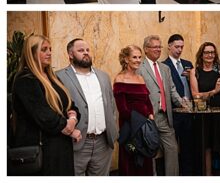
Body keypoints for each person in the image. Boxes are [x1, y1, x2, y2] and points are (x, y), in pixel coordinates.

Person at [9, 35, 79, 176]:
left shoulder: (53, 77)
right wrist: (69, 128)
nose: (49, 53)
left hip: (60, 148)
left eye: (50, 49)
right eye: (44, 49)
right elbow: (44, 115)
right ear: (31, 53)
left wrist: (72, 118)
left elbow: (70, 104)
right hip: (42, 151)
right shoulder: (25, 80)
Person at [56, 39, 118, 176]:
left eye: (87, 50)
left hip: (103, 143)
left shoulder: (103, 76)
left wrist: (113, 129)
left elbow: (112, 106)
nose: (86, 53)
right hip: (75, 143)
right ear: (70, 54)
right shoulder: (59, 77)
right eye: (80, 50)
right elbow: (56, 108)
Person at [139, 36, 181, 175]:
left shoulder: (165, 68)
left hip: (165, 117)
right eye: (154, 47)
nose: (158, 49)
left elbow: (172, 90)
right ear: (146, 49)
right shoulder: (139, 68)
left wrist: (183, 103)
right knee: (150, 151)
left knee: (173, 149)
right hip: (148, 118)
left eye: (159, 47)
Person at [189, 42, 220, 175]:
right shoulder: (194, 71)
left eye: (212, 52)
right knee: (206, 149)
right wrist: (214, 91)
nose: (210, 55)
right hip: (204, 114)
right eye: (207, 52)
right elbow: (195, 95)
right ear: (201, 55)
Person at [113, 45, 155, 175]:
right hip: (129, 126)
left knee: (145, 159)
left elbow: (147, 101)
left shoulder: (140, 78)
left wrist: (150, 115)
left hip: (145, 126)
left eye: (139, 57)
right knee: (130, 160)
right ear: (126, 59)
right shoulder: (120, 79)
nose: (138, 60)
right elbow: (123, 109)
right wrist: (139, 122)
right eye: (134, 57)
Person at [162, 34, 197, 175]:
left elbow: (195, 84)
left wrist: (191, 77)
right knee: (173, 147)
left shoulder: (188, 63)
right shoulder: (163, 66)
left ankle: (188, 174)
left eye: (182, 47)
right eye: (177, 47)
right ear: (169, 46)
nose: (179, 49)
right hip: (174, 111)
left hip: (190, 110)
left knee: (189, 144)